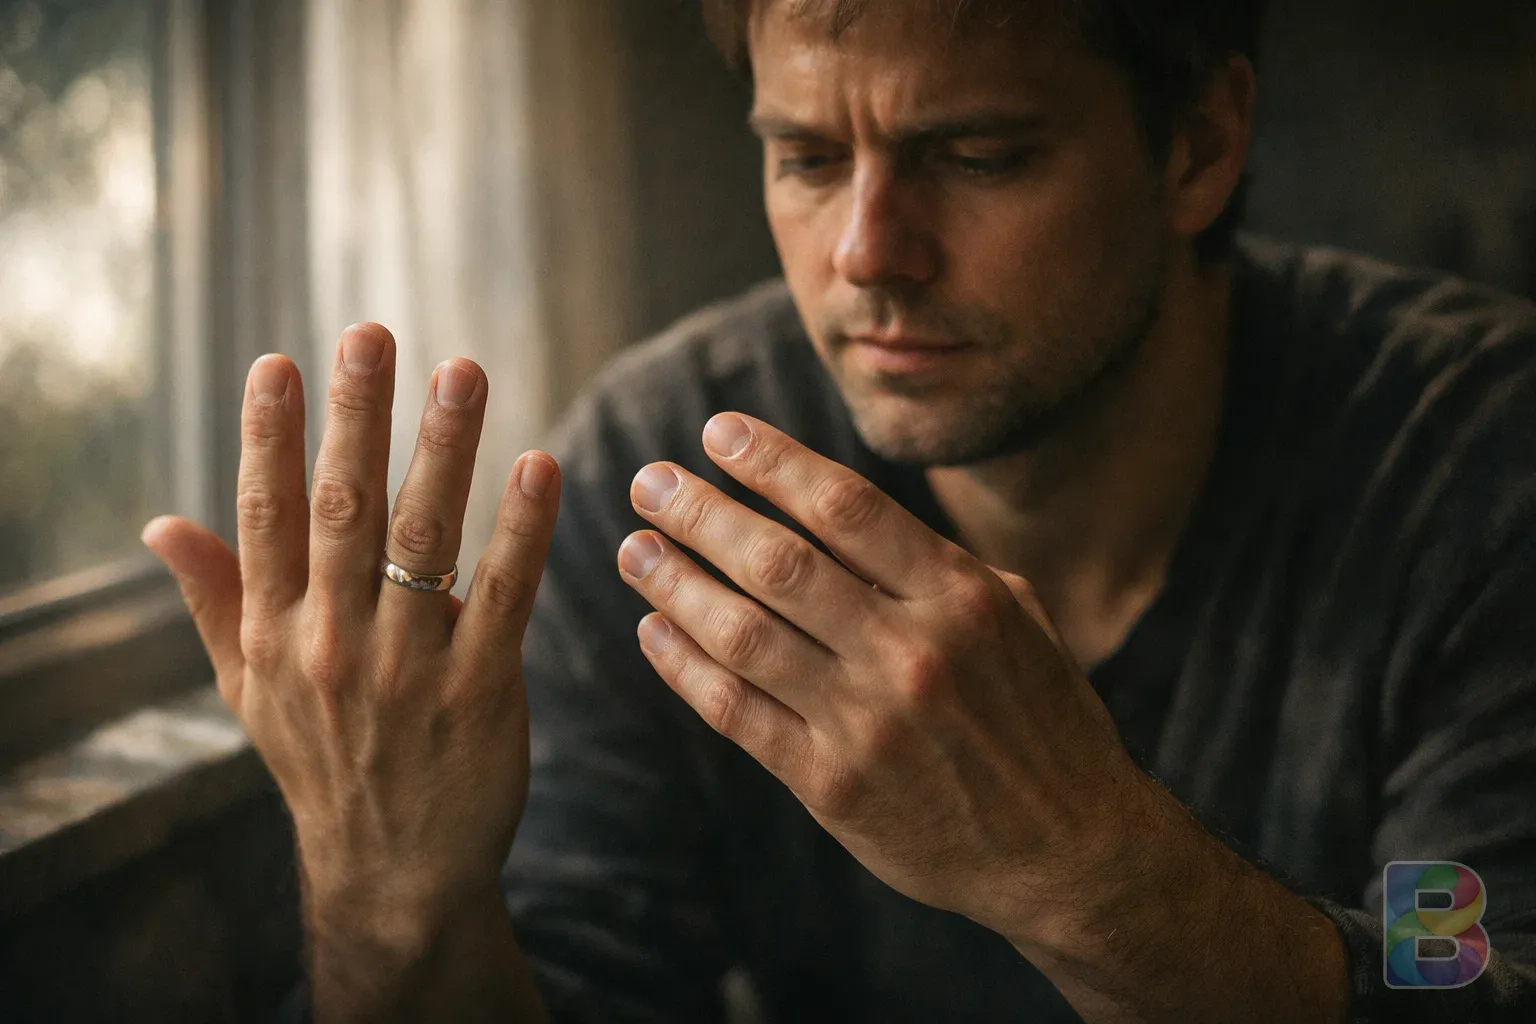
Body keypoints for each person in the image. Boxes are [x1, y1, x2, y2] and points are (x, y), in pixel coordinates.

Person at [142, 0, 1536, 1020]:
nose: (868, 254)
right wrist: (391, 911)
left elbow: (1471, 959)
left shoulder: (1470, 464)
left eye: (979, 156)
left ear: (1199, 147)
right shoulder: (667, 490)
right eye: (807, 159)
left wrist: (1091, 869)